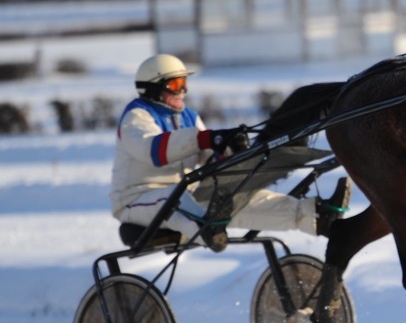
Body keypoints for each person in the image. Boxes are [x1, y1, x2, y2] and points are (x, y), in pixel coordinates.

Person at [109, 54, 349, 252]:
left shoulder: (188, 117)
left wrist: (228, 151)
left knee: (239, 196)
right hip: (136, 199)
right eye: (175, 85)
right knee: (174, 199)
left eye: (184, 83)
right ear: (153, 88)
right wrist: (207, 138)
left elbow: (206, 158)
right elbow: (154, 151)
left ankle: (316, 217)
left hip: (185, 194)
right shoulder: (136, 116)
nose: (182, 91)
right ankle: (208, 229)